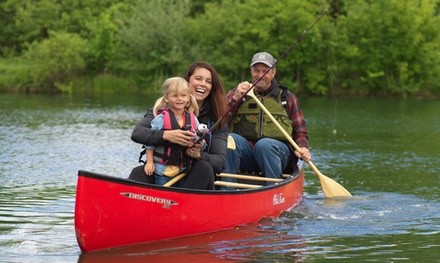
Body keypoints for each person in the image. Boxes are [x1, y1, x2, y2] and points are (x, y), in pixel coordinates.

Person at [129, 62, 229, 190]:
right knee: (139, 172)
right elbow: (137, 133)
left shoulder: (217, 120)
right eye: (198, 78)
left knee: (204, 167)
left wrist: (199, 154)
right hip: (163, 171)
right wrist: (166, 135)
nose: (203, 84)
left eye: (208, 81)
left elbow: (220, 162)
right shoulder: (160, 111)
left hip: (196, 177)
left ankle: (184, 206)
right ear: (186, 82)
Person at [224, 51, 311, 184]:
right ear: (251, 71)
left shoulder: (287, 97)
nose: (260, 75)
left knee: (264, 145)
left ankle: (273, 186)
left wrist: (303, 147)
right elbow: (219, 122)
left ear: (273, 73)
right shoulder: (239, 93)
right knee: (230, 139)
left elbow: (300, 131)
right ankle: (227, 188)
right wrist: (234, 99)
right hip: (246, 155)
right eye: (256, 70)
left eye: (265, 71)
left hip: (277, 155)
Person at [144, 77, 203, 186]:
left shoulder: (193, 119)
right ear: (166, 98)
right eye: (175, 96)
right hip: (162, 172)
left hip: (183, 171)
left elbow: (199, 140)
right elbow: (150, 143)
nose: (179, 99)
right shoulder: (160, 119)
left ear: (188, 98)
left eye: (183, 95)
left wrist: (200, 144)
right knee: (163, 197)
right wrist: (149, 162)